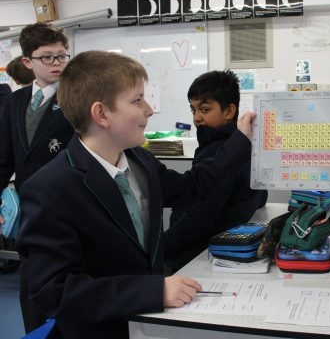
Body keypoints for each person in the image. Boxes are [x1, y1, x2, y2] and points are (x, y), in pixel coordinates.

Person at [15, 51, 256, 338]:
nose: (149, 110)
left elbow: (193, 187)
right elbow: (54, 293)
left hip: (149, 325)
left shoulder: (140, 162)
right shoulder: (50, 189)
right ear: (101, 114)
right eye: (137, 100)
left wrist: (241, 139)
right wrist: (153, 291)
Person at [0, 22, 74, 333]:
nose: (57, 63)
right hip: (29, 212)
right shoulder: (16, 101)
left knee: (67, 288)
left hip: (67, 209)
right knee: (31, 289)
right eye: (47, 57)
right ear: (28, 62)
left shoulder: (75, 98)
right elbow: (4, 157)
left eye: (62, 55)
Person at [164, 70, 267, 272]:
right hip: (221, 248)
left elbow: (197, 221)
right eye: (193, 110)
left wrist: (158, 249)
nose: (197, 118)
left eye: (204, 109)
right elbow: (260, 196)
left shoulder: (218, 152)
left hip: (196, 254)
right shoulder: (244, 145)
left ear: (229, 111)